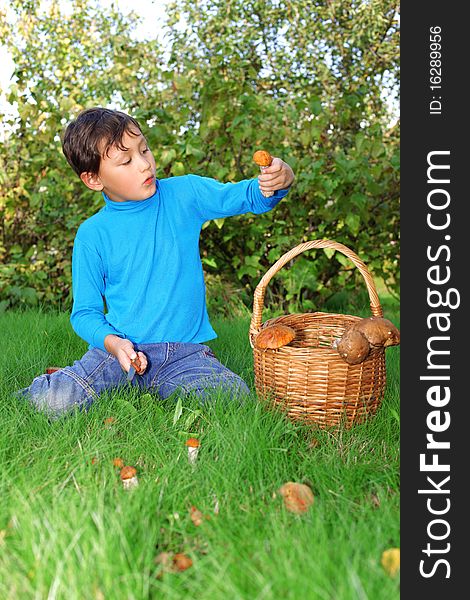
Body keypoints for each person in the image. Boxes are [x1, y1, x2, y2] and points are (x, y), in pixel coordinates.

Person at [18, 107, 295, 417]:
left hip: (185, 356)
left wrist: (277, 181)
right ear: (94, 179)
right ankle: (66, 380)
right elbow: (84, 313)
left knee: (233, 402)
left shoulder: (184, 193)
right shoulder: (92, 235)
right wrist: (113, 344)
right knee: (52, 402)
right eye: (126, 161)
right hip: (118, 355)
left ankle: (134, 383)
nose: (144, 164)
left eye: (144, 149)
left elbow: (249, 196)